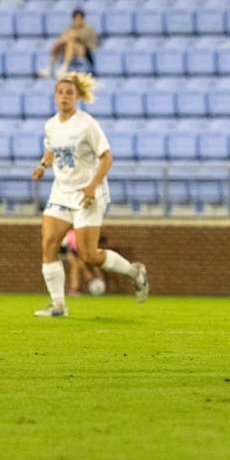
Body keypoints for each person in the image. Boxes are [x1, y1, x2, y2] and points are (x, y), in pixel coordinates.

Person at [32, 73, 149, 317]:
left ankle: (134, 272)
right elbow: (51, 150)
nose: (64, 96)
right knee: (48, 243)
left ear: (77, 97)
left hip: (87, 194)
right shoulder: (51, 125)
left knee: (89, 255)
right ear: (55, 96)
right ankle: (59, 306)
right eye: (61, 92)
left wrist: (92, 186)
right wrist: (43, 165)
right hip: (61, 193)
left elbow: (107, 157)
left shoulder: (87, 124)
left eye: (69, 93)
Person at [39, 9, 99, 79]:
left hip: (85, 52)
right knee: (59, 45)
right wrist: (59, 42)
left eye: (79, 19)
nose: (77, 21)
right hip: (72, 49)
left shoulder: (87, 29)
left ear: (83, 19)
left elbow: (76, 37)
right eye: (75, 19)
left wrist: (62, 40)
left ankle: (64, 67)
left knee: (70, 43)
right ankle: (49, 68)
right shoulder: (70, 28)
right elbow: (64, 38)